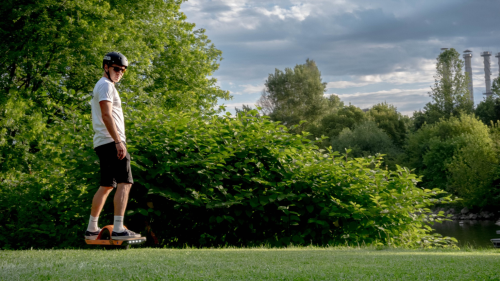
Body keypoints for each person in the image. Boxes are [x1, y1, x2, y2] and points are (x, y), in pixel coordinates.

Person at [84, 52, 140, 240]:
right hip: (111, 141)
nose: (120, 73)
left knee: (107, 185)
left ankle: (92, 229)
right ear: (106, 67)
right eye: (116, 69)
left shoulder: (103, 85)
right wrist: (118, 141)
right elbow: (106, 115)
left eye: (123, 71)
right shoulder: (106, 86)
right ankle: (118, 228)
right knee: (125, 182)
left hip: (102, 142)